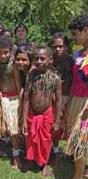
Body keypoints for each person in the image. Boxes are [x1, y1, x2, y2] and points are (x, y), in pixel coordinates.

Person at [22, 46, 62, 176]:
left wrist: (57, 121)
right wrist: (23, 120)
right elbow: (27, 98)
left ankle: (44, 163)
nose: (39, 61)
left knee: (45, 141)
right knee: (30, 139)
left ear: (50, 60)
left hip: (46, 115)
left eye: (42, 58)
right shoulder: (30, 76)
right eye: (36, 58)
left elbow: (58, 101)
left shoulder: (55, 79)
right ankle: (30, 159)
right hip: (32, 114)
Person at [0, 36, 21, 169]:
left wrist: (20, 104)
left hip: (14, 99)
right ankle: (11, 148)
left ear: (10, 51)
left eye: (6, 52)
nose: (3, 55)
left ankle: (16, 157)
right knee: (7, 129)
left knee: (14, 130)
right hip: (3, 99)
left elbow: (19, 85)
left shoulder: (14, 64)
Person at [66, 14, 88, 179]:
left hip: (86, 105)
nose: (73, 37)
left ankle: (78, 175)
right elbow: (74, 82)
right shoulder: (77, 55)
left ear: (86, 31)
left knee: (81, 140)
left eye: (75, 34)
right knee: (77, 139)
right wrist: (69, 104)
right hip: (76, 102)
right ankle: (79, 172)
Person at [50, 32, 73, 164]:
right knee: (55, 128)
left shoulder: (72, 61)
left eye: (61, 46)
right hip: (52, 99)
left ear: (67, 46)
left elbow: (74, 83)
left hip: (69, 98)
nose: (58, 49)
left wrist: (68, 102)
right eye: (55, 46)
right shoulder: (50, 61)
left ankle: (72, 152)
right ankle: (55, 152)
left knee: (68, 126)